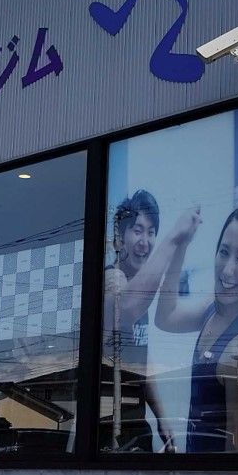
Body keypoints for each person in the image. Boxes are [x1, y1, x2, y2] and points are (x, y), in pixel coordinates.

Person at [153, 203, 238, 453]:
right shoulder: (212, 309)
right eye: (224, 252)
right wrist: (181, 243)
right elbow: (165, 317)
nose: (228, 269)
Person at [102, 190, 176, 451]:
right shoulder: (112, 280)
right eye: (137, 230)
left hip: (135, 423)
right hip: (105, 426)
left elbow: (142, 362)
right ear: (120, 238)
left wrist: (162, 418)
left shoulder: (138, 292)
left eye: (151, 232)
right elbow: (124, 308)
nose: (145, 241)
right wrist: (175, 242)